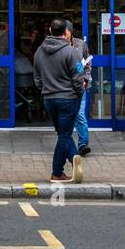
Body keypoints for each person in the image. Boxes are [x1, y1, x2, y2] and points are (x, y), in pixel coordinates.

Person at [33, 17, 87, 183]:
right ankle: (57, 172)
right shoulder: (71, 52)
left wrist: (45, 90)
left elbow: (37, 78)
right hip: (68, 98)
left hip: (49, 99)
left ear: (50, 30)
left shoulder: (39, 51)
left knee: (62, 132)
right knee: (64, 135)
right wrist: (79, 92)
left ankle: (73, 156)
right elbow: (78, 75)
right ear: (66, 32)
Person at [66, 19, 93, 157]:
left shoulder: (80, 44)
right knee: (68, 116)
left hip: (80, 85)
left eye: (66, 31)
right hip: (65, 87)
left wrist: (86, 79)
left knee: (80, 114)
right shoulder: (59, 46)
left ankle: (83, 144)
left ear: (70, 32)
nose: (64, 34)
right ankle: (66, 143)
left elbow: (88, 63)